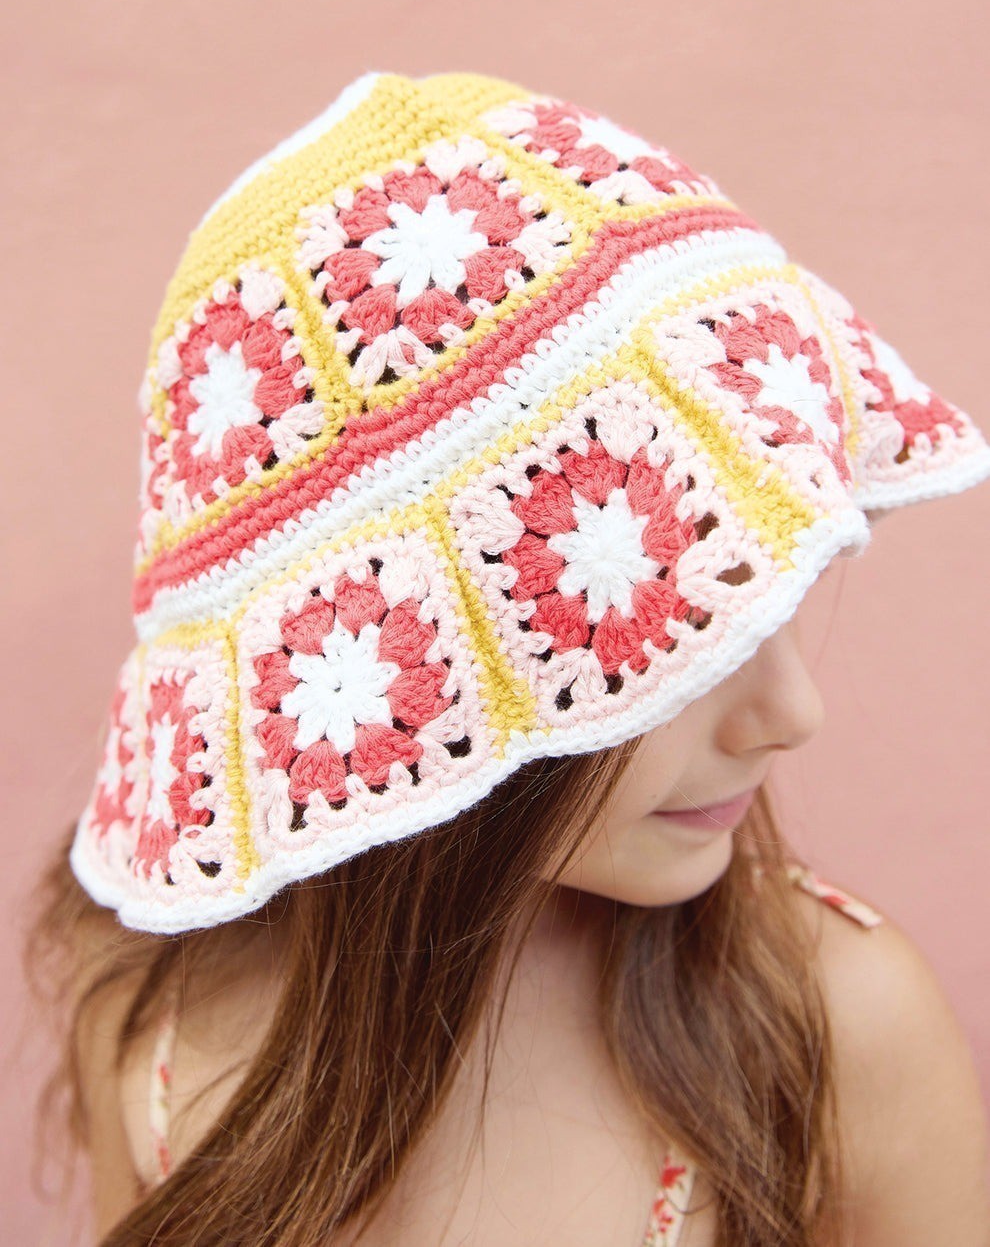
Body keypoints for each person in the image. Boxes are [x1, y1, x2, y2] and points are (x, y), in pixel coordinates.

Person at [23, 71, 990, 1246]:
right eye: (675, 637)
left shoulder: (832, 1033)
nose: (793, 712)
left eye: (764, 596)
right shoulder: (158, 1035)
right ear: (417, 683)